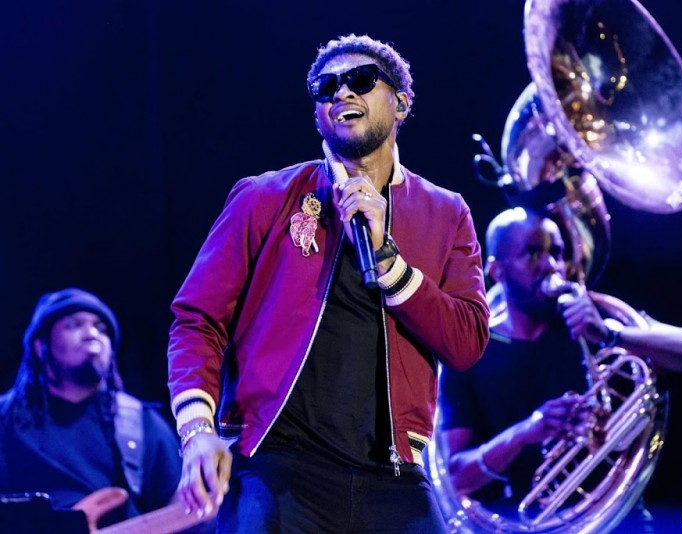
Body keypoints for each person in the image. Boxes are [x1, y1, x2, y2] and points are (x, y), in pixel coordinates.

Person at [167, 34, 490, 532]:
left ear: (401, 104)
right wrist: (196, 432)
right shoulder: (264, 197)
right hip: (277, 463)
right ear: (318, 114)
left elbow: (467, 342)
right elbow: (197, 320)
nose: (342, 92)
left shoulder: (445, 213)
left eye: (360, 79)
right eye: (326, 87)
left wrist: (390, 261)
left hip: (395, 478)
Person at [437, 207, 682, 530]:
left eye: (557, 252)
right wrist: (526, 432)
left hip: (623, 523)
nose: (551, 265)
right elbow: (457, 476)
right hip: (535, 525)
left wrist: (610, 334)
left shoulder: (594, 319)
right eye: (533, 253)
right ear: (496, 270)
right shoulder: (469, 351)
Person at [0, 288, 187, 532]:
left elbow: (180, 507)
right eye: (74, 325)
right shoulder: (6, 419)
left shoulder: (141, 422)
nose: (91, 334)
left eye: (101, 328)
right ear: (40, 345)